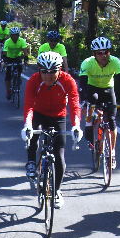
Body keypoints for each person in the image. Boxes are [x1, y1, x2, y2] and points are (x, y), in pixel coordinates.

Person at [21, 51, 82, 209]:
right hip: (38, 113)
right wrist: (27, 124)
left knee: (59, 155)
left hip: (58, 116)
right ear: (39, 70)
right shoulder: (34, 80)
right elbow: (28, 105)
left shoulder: (67, 80)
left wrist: (76, 125)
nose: (48, 76)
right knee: (32, 136)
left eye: (53, 72)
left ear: (60, 70)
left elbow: (75, 104)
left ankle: (56, 191)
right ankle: (31, 162)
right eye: (44, 72)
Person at [79, 36, 120, 169]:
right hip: (92, 89)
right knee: (91, 112)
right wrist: (84, 100)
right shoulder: (87, 63)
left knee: (112, 121)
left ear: (109, 52)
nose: (103, 55)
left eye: (106, 52)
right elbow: (82, 84)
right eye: (99, 53)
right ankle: (91, 136)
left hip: (108, 90)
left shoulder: (115, 62)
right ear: (94, 54)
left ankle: (112, 153)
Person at [2, 27, 28, 100]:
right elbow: (4, 52)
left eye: (16, 35)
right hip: (9, 58)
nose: (15, 37)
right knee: (8, 75)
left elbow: (25, 51)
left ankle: (18, 77)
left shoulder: (22, 41)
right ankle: (8, 91)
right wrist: (4, 60)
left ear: (18, 35)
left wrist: (26, 58)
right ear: (10, 35)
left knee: (19, 68)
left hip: (17, 57)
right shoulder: (7, 41)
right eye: (13, 35)